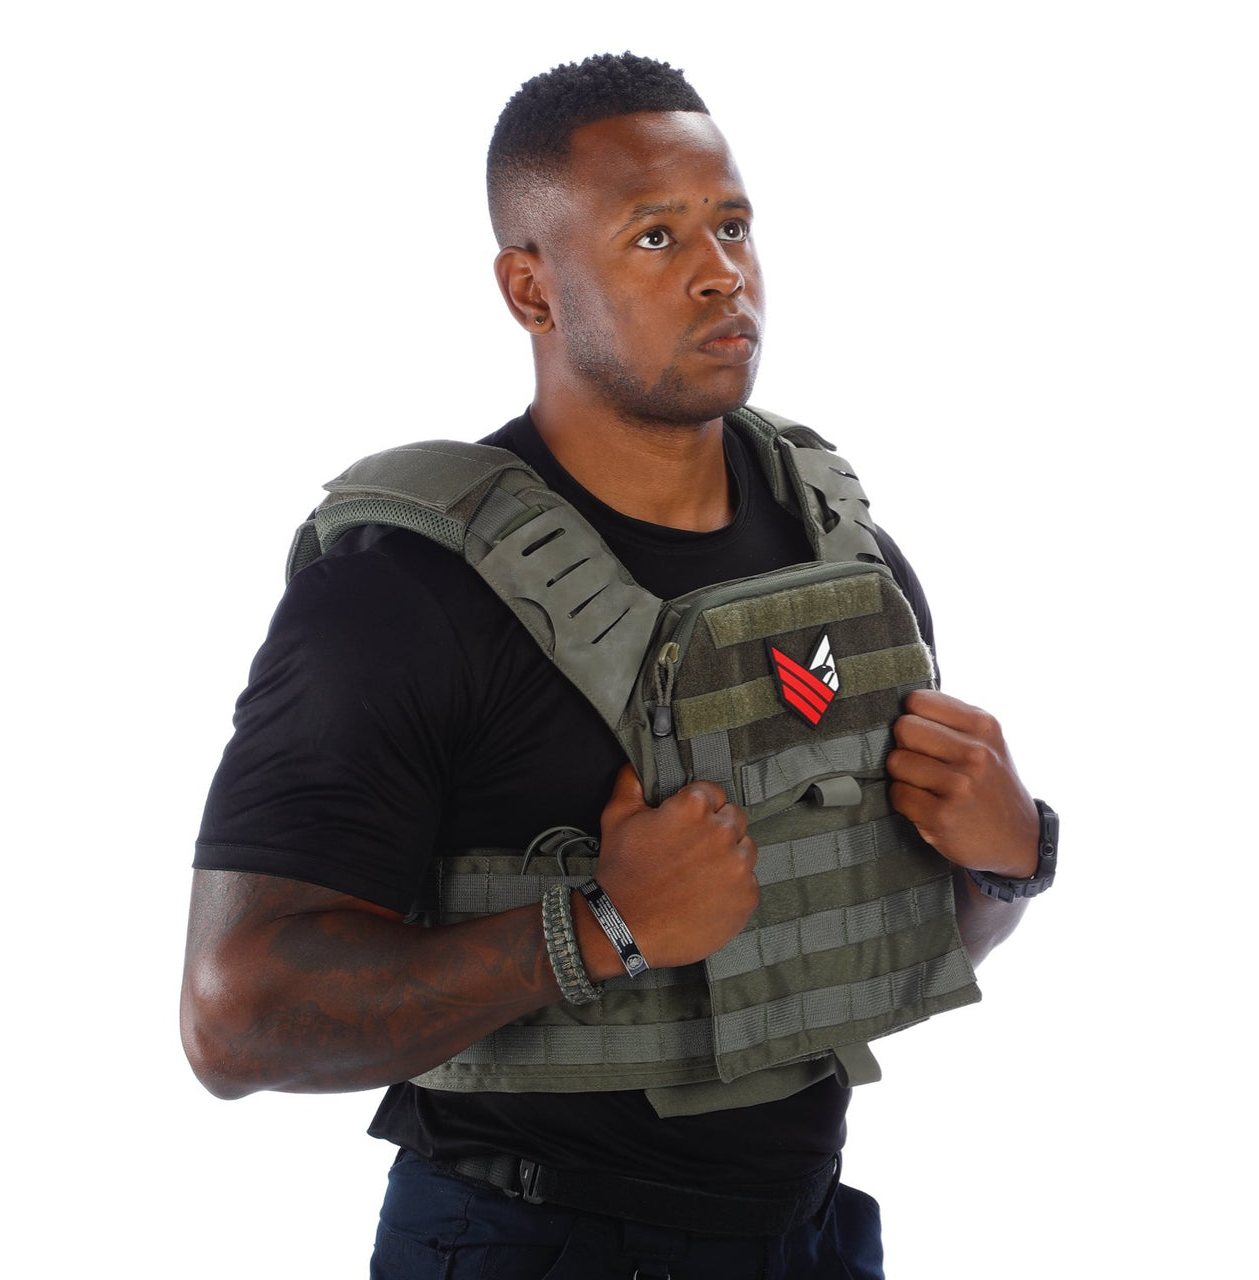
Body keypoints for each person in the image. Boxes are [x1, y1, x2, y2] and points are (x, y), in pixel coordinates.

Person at [182, 52, 1052, 1279]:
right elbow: (234, 1017)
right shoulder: (402, 593)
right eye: (653, 237)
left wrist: (1007, 864)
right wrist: (596, 927)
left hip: (807, 1231)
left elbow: (876, 933)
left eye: (732, 225)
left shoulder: (841, 560)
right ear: (529, 290)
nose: (719, 273)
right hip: (523, 1236)